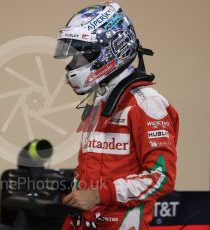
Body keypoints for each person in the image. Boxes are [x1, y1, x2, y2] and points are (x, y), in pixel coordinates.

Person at [54, 2, 178, 229]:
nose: (74, 64)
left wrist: (100, 195)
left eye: (80, 56)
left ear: (110, 49)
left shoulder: (146, 103)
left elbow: (161, 178)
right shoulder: (100, 100)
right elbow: (96, 168)